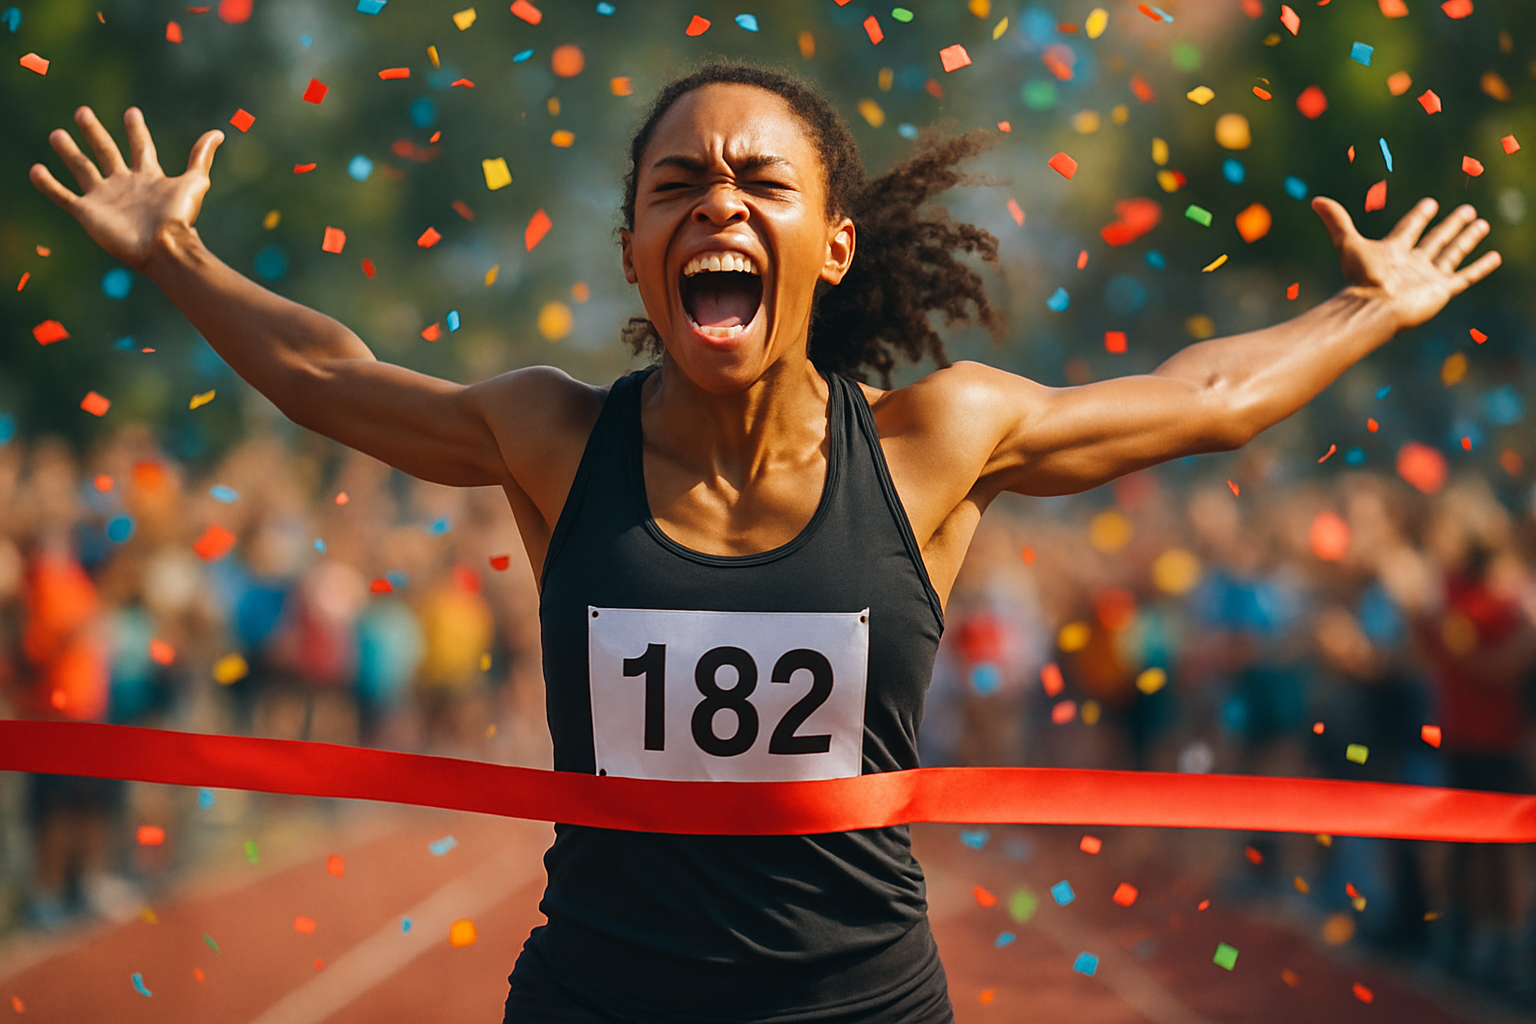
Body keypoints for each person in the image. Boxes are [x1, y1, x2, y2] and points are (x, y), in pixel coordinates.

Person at [30, 58, 1500, 1023]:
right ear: (633, 252)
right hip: (600, 996)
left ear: (832, 243)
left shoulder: (938, 442)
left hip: (858, 1004)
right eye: (677, 184)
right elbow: (332, 377)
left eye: (758, 181)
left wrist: (1370, 308)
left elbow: (1209, 401)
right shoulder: (553, 437)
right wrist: (178, 252)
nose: (716, 200)